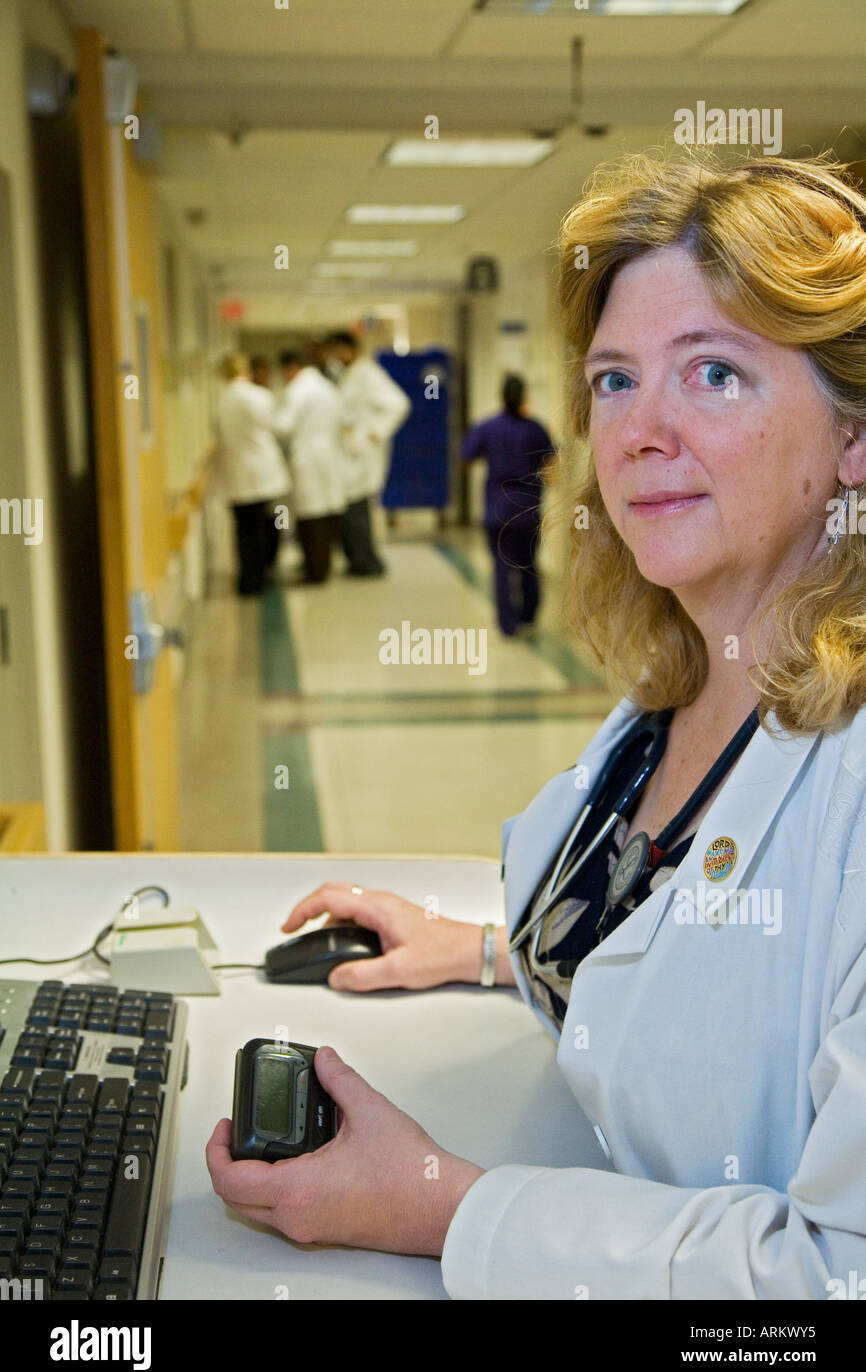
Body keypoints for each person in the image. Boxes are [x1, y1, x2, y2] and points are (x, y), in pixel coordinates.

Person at [207, 149, 866, 1298]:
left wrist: (434, 1204)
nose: (638, 431)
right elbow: (677, 948)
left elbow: (832, 1276)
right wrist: (483, 950)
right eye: (613, 380)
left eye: (711, 373)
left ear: (852, 438)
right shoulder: (680, 682)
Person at [462, 374, 555, 636]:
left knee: (502, 568)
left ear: (501, 396)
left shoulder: (487, 427)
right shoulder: (535, 428)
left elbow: (466, 457)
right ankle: (529, 615)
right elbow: (551, 464)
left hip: (498, 509)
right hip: (527, 508)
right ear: (524, 396)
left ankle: (508, 623)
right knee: (528, 564)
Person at [323, 330, 410, 577]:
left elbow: (399, 404)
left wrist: (374, 432)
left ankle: (367, 563)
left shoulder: (368, 373)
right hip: (349, 453)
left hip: (362, 453)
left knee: (358, 509)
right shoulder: (349, 375)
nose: (336, 357)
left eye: (339, 351)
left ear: (351, 350)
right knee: (352, 508)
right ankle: (357, 560)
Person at [215, 352, 290, 596]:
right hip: (260, 469)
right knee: (263, 526)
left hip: (236, 471)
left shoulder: (222, 399)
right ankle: (261, 574)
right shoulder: (258, 396)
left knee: (243, 529)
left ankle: (247, 579)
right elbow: (277, 426)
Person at [272, 345, 348, 584]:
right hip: (329, 454)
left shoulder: (298, 390)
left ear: (290, 369)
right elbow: (342, 419)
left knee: (310, 517)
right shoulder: (328, 388)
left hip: (307, 455)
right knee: (326, 515)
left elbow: (284, 426)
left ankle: (314, 571)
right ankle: (322, 567)